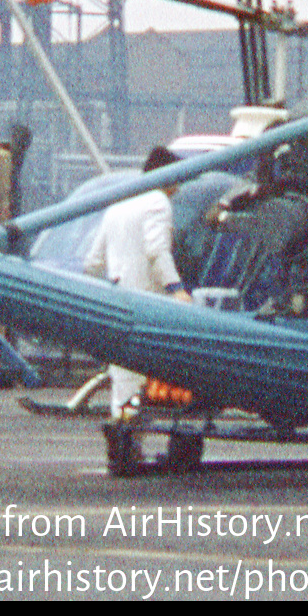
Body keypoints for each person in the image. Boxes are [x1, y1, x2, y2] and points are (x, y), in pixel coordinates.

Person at [83, 145, 190, 420]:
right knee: (153, 369)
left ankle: (123, 436)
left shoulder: (119, 204)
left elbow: (93, 262)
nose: (179, 186)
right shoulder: (157, 202)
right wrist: (177, 289)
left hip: (117, 298)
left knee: (123, 375)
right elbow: (157, 252)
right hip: (147, 301)